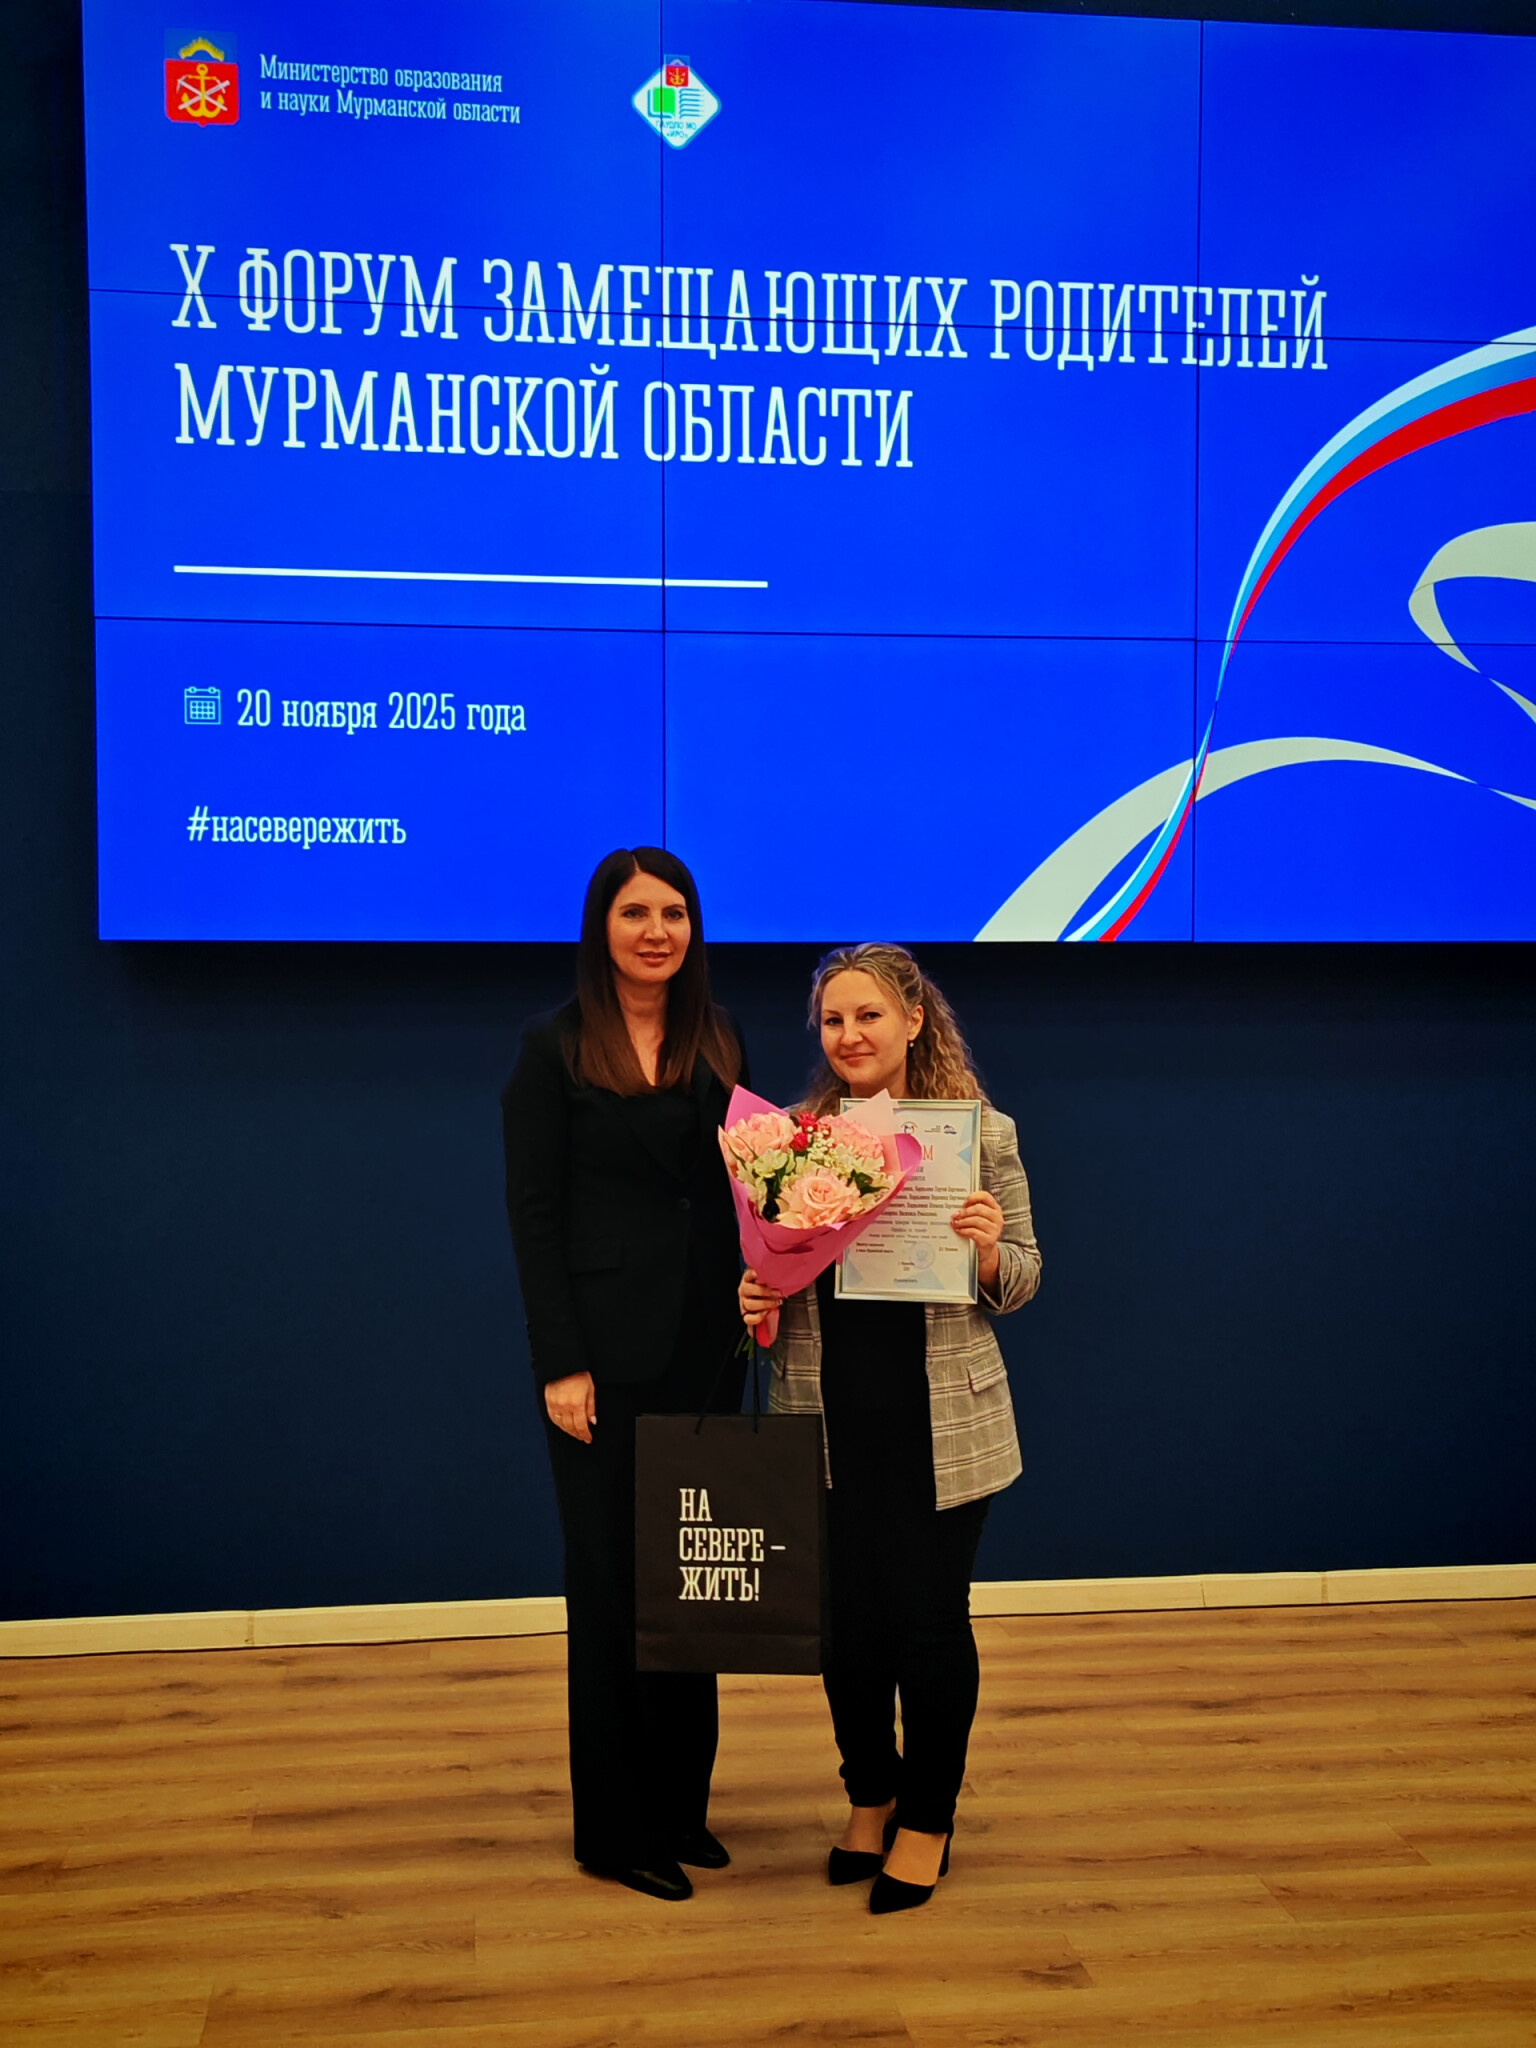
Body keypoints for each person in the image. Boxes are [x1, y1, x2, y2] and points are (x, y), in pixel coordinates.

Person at [740, 943, 1041, 1915]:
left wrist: (988, 1252)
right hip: (828, 1418)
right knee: (848, 1628)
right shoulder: (792, 1141)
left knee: (929, 1621)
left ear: (914, 1019)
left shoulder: (979, 1133)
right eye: (833, 1019)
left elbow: (1025, 1277)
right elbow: (777, 1274)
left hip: (941, 1421)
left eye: (868, 1014)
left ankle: (928, 1819)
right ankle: (870, 1797)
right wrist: (755, 1295)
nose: (849, 1034)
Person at [501, 848, 747, 1903]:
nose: (658, 931)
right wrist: (560, 1361)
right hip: (599, 1360)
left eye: (675, 912)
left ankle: (681, 1807)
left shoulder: (717, 1035)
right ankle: (614, 1828)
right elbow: (534, 1218)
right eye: (637, 912)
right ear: (601, 924)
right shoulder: (551, 1048)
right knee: (609, 1589)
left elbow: (737, 1190)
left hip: (708, 1346)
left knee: (693, 1580)